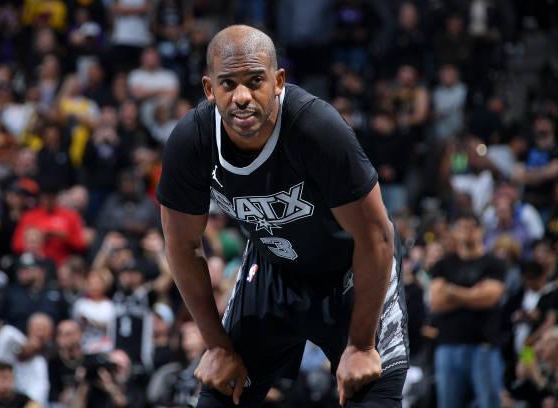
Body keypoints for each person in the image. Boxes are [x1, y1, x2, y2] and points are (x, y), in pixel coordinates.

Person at [158, 25, 408, 407]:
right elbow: (181, 245)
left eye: (255, 81)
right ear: (210, 89)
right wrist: (216, 345)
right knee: (220, 392)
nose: (242, 97)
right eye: (228, 84)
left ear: (278, 81)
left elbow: (376, 236)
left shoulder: (317, 128)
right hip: (272, 268)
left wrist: (360, 344)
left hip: (351, 273)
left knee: (371, 392)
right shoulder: (191, 142)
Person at [429, 213, 506, 408]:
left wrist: (452, 291)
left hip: (483, 345)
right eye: (462, 227)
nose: (467, 232)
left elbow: (490, 298)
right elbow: (436, 302)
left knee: (489, 403)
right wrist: (474, 293)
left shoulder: (494, 263)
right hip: (448, 345)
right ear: (455, 232)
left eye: (472, 227)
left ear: (481, 231)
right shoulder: (443, 264)